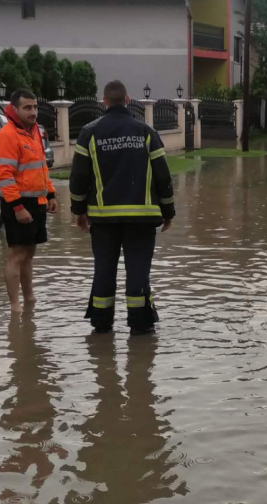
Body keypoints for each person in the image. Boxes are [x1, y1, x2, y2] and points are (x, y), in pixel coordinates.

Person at [69, 80, 175, 335]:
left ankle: (101, 325)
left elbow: (78, 178)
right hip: (142, 219)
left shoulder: (88, 133)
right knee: (138, 271)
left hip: (103, 220)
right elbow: (163, 177)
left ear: (103, 102)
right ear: (127, 100)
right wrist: (168, 212)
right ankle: (140, 325)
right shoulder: (147, 132)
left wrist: (78, 211)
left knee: (104, 270)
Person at [0, 89, 57, 314]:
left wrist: (50, 194)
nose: (33, 112)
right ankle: (15, 306)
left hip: (37, 202)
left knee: (29, 254)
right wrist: (18, 207)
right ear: (15, 109)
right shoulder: (6, 135)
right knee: (18, 254)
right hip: (18, 204)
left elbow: (41, 167)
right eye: (27, 108)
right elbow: (4, 176)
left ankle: (29, 299)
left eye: (35, 107)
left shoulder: (35, 133)